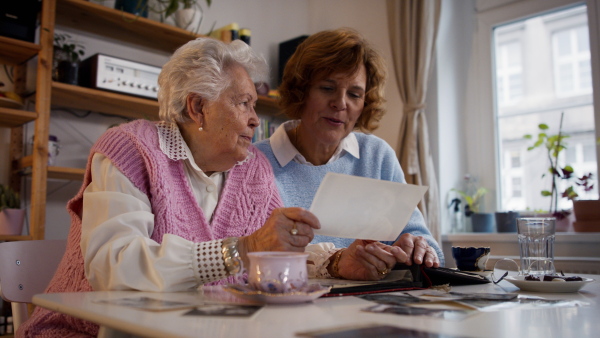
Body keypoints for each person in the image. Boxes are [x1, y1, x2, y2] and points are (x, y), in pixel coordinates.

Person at [19, 37, 407, 337]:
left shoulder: (252, 169)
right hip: (91, 331)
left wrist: (338, 263)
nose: (256, 121)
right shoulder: (130, 149)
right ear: (196, 107)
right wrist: (240, 248)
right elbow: (114, 267)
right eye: (244, 104)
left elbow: (274, 252)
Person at [255, 28, 444, 274]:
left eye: (354, 94)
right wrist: (335, 263)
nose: (340, 103)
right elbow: (247, 255)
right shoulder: (255, 161)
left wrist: (416, 248)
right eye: (327, 88)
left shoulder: (377, 156)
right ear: (301, 91)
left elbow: (422, 239)